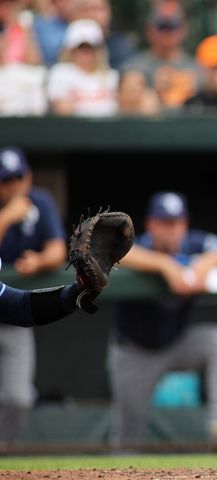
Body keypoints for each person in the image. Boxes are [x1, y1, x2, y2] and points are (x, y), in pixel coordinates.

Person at [110, 192, 217, 448]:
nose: (173, 230)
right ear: (152, 224)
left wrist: (206, 263)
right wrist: (165, 265)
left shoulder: (193, 243)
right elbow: (112, 251)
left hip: (178, 343)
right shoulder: (137, 244)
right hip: (136, 352)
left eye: (177, 222)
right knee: (127, 441)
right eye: (165, 223)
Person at [0, 147, 66, 444]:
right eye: (6, 180)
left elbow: (57, 250)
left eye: (19, 177)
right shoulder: (12, 209)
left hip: (13, 314)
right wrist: (7, 217)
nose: (14, 185)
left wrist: (39, 262)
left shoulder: (40, 200)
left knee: (18, 398)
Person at [121, 1, 201, 111]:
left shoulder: (198, 68)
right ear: (149, 30)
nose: (167, 32)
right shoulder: (134, 67)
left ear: (183, 30)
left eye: (173, 26)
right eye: (162, 26)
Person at [46, 18, 118, 117]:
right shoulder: (60, 73)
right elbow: (62, 110)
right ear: (70, 50)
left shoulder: (112, 76)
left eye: (90, 48)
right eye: (80, 49)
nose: (85, 54)